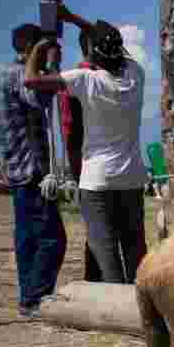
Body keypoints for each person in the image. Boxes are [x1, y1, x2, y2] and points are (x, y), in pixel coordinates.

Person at [25, 4, 149, 284]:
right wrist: (72, 18)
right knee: (134, 248)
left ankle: (120, 311)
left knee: (105, 250)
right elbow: (108, 39)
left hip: (97, 181)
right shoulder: (135, 75)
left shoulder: (85, 80)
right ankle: (142, 304)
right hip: (132, 176)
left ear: (92, 54)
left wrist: (40, 46)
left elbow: (32, 79)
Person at [0, 23, 68, 319]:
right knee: (52, 239)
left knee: (28, 239)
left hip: (16, 168)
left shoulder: (1, 75)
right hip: (31, 170)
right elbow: (40, 97)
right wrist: (50, 66)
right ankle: (35, 299)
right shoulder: (18, 76)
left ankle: (28, 297)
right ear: (33, 48)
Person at [56, 28, 102, 282]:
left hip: (87, 162)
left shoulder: (78, 78)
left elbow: (67, 128)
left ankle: (96, 278)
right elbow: (70, 128)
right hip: (90, 162)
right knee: (102, 227)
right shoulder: (82, 78)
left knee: (98, 226)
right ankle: (96, 280)